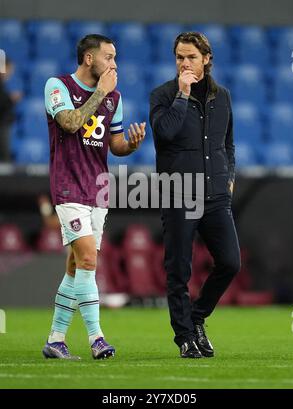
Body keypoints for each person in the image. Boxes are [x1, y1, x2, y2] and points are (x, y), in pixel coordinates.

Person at [43, 34, 145, 360]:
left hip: (98, 189)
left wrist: (131, 145)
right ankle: (97, 338)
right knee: (89, 259)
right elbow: (70, 123)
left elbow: (113, 144)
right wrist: (99, 92)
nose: (114, 64)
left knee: (76, 268)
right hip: (68, 186)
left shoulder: (115, 98)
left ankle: (56, 339)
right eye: (109, 57)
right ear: (89, 59)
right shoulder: (57, 86)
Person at [150, 32, 241, 358]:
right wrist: (183, 95)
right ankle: (185, 337)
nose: (184, 63)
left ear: (206, 59)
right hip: (179, 194)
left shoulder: (223, 97)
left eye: (190, 57)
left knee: (230, 262)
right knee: (179, 270)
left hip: (216, 195)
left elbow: (227, 144)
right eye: (179, 57)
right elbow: (164, 133)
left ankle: (198, 317)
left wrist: (228, 176)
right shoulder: (163, 95)